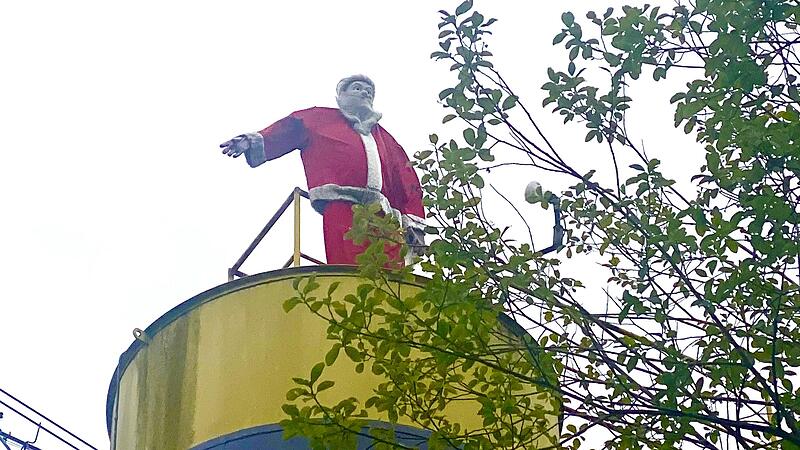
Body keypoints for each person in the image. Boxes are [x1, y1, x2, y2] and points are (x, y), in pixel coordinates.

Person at [220, 75, 425, 265]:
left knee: (393, 269)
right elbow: (287, 130)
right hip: (341, 204)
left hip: (384, 215)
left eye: (369, 91)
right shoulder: (319, 120)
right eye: (357, 88)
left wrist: (414, 225)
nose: (365, 93)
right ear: (341, 95)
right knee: (346, 264)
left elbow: (407, 181)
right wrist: (252, 141)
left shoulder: (386, 140)